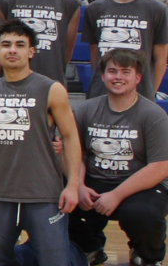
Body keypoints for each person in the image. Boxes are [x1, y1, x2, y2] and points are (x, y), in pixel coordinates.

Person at [0, 20, 85, 266]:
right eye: (6, 44)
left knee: (55, 262)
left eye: (19, 44)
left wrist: (73, 185)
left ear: (31, 51)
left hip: (44, 195)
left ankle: (80, 257)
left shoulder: (51, 89)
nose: (12, 49)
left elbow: (69, 136)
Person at [69, 49, 168, 266]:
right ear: (103, 76)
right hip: (94, 181)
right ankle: (90, 247)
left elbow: (160, 166)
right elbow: (77, 154)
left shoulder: (153, 115)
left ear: (138, 78)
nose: (118, 77)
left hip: (139, 186)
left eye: (126, 72)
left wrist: (116, 195)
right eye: (112, 71)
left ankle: (146, 255)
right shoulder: (85, 110)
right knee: (53, 199)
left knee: (141, 213)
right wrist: (77, 186)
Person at [84, 0, 168, 98]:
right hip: (101, 95)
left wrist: (149, 93)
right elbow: (95, 58)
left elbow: (161, 60)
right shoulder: (95, 9)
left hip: (140, 96)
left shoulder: (157, 10)